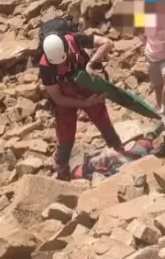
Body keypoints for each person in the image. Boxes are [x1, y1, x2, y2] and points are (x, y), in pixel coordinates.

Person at [40, 28, 135, 180]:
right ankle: (61, 169)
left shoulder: (75, 40)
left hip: (86, 87)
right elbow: (57, 98)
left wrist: (91, 63)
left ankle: (119, 152)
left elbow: (107, 43)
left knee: (103, 122)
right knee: (65, 135)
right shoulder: (46, 67)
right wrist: (84, 102)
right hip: (65, 97)